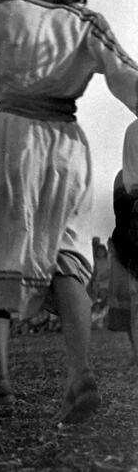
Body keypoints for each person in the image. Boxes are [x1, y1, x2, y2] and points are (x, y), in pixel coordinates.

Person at [0, 0, 138, 422]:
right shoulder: (87, 23)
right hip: (64, 143)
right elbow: (128, 78)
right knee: (66, 258)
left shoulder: (0, 12)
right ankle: (78, 374)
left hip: (10, 140)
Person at [108, 120, 138, 364]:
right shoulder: (122, 179)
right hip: (129, 233)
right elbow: (122, 214)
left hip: (128, 234)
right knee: (131, 298)